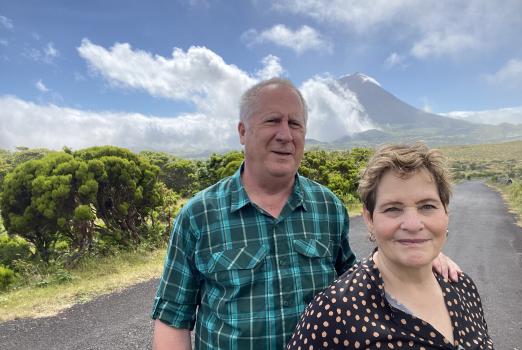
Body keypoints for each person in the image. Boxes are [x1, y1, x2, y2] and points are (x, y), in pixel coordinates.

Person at [151, 79, 462, 350]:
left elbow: (360, 282)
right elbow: (172, 319)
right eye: (272, 120)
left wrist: (420, 255)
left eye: (295, 124)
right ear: (243, 132)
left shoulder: (327, 206)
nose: (286, 135)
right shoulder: (199, 215)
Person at [287, 143, 494, 350]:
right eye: (393, 209)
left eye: (427, 206)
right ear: (369, 219)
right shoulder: (333, 313)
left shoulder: (463, 287)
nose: (413, 225)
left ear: (445, 212)